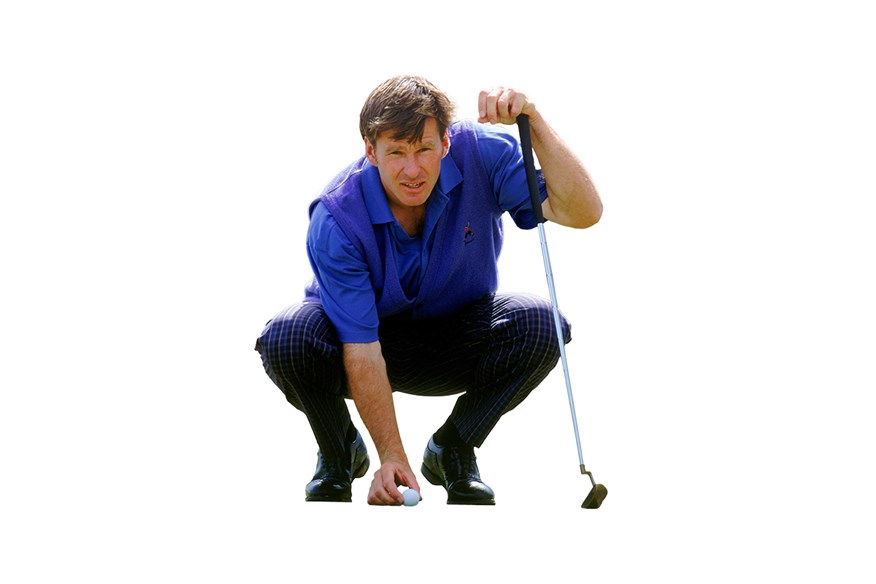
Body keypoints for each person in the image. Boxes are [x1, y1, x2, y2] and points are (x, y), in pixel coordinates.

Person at [255, 75, 602, 505]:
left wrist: (535, 119)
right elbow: (362, 348)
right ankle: (339, 450)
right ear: (370, 151)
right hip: (361, 345)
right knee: (286, 337)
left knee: (544, 323)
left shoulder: (483, 153)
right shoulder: (336, 217)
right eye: (396, 152)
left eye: (424, 148)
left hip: (459, 335)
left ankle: (454, 449)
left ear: (446, 143)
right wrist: (391, 455)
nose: (413, 169)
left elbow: (584, 212)